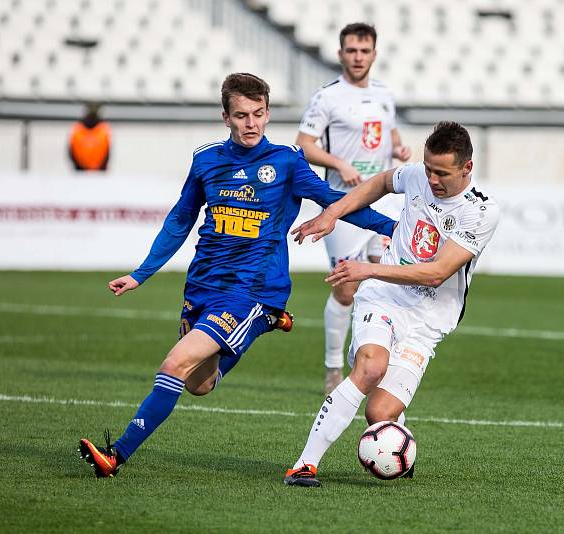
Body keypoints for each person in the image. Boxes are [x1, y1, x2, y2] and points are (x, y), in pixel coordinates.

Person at [78, 73, 396, 478]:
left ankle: (116, 455)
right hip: (204, 285)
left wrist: (392, 228)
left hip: (252, 289)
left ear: (267, 114)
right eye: (242, 115)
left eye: (259, 114)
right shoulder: (206, 160)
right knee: (198, 383)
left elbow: (338, 201)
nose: (252, 124)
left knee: (174, 363)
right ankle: (265, 323)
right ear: (225, 116)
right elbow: (180, 220)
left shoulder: (286, 161)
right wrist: (142, 274)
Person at [283, 122, 500, 487]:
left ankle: (396, 436)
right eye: (428, 168)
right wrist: (333, 212)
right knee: (369, 368)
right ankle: (304, 465)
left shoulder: (479, 213)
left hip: (428, 321)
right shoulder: (418, 175)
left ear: (467, 168)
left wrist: (365, 267)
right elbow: (382, 182)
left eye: (442, 173)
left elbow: (436, 273)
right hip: (383, 296)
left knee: (379, 412)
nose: (431, 179)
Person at [296, 22, 412, 394]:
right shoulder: (327, 97)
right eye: (351, 50)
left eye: (364, 51)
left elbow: (387, 131)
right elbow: (304, 144)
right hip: (341, 205)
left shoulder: (383, 93)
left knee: (382, 281)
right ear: (341, 54)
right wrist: (339, 163)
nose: (358, 57)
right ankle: (333, 367)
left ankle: (372, 362)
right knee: (346, 289)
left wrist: (398, 148)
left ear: (374, 54)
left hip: (380, 200)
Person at [68, 102, 111, 171]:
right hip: (94, 171)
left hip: (82, 171)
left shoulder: (77, 128)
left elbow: (71, 152)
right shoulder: (104, 129)